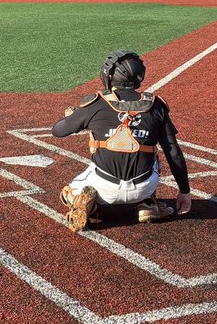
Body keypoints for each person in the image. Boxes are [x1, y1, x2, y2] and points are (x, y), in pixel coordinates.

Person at [51, 49, 193, 233]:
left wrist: (74, 118)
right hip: (144, 186)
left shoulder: (95, 103)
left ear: (109, 76)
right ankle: (147, 204)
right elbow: (173, 152)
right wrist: (184, 191)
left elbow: (57, 131)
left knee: (68, 192)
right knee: (154, 157)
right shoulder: (156, 106)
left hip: (103, 187)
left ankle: (87, 205)